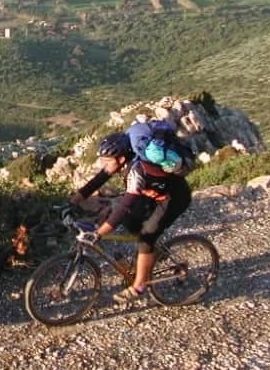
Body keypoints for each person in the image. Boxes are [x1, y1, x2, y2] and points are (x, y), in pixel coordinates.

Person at [69, 127, 192, 304]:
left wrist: (99, 233)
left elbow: (125, 206)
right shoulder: (126, 162)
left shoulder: (136, 172)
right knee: (130, 221)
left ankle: (139, 286)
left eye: (106, 161)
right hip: (152, 194)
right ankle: (153, 254)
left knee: (146, 236)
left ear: (120, 159)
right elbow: (98, 180)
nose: (103, 165)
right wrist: (72, 202)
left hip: (173, 198)